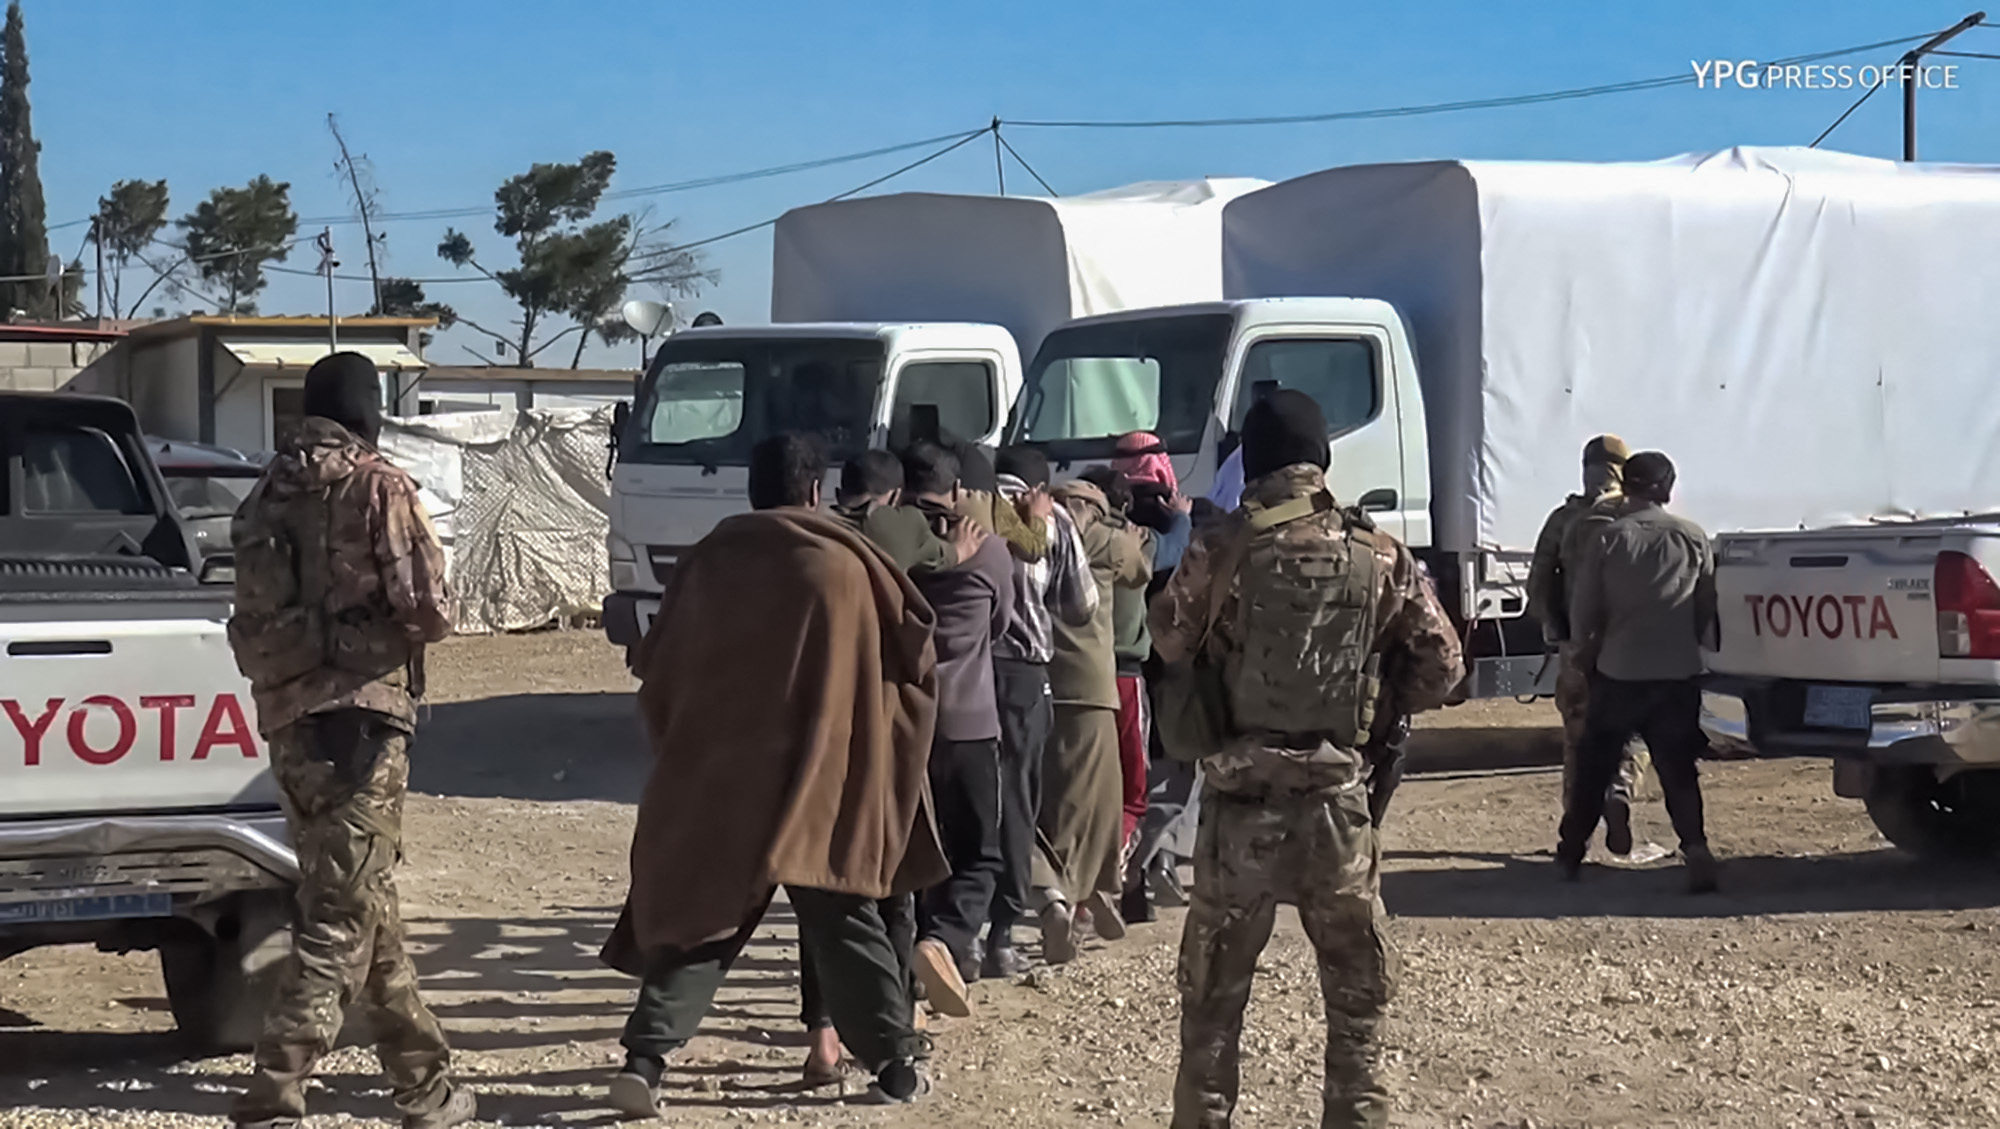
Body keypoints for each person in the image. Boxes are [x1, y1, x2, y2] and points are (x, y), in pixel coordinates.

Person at [599, 432, 944, 1116]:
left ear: (752, 489)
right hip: (820, 775)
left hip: (723, 775)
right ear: (815, 490)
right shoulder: (848, 566)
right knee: (844, 916)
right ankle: (896, 1067)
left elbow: (660, 666)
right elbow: (909, 661)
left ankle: (646, 1059)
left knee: (704, 919)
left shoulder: (707, 562)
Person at [1151, 389, 1464, 1129]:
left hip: (1239, 808)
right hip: (1336, 805)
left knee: (1212, 1006)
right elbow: (1444, 667)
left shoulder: (1219, 548)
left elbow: (1167, 637)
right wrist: (1377, 699)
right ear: (1320, 456)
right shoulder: (1379, 552)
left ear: (1253, 460)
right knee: (1356, 1006)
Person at [225, 352, 475, 1129]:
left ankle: (424, 1084)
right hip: (361, 723)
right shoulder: (379, 485)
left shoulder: (265, 493)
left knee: (364, 902)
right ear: (368, 410)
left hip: (289, 723)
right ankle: (276, 1085)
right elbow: (430, 607)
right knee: (342, 915)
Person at [1559, 450, 1721, 893]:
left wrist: (1584, 654)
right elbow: (1706, 605)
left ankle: (1571, 853)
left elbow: (1584, 610)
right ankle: (1696, 848)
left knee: (1594, 768)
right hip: (1678, 673)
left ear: (1626, 485)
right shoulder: (1693, 536)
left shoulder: (1608, 538)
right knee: (1678, 770)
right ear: (1667, 487)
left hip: (1618, 671)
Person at [896, 440, 1015, 1016]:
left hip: (905, 721)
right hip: (970, 721)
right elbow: (1001, 623)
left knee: (915, 849)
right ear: (959, 490)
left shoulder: (889, 549)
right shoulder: (989, 552)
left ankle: (915, 962)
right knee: (979, 852)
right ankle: (944, 940)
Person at [985, 446, 1097, 978]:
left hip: (962, 672)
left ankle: (952, 934)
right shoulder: (1053, 521)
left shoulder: (971, 508)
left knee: (960, 799)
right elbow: (1081, 606)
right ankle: (1002, 936)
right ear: (1041, 486)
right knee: (1018, 800)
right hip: (1024, 677)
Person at [1035, 475, 1151, 961]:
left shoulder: (1036, 531)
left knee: (1051, 799)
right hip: (1093, 688)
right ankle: (1063, 898)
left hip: (1040, 683)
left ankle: (1084, 894)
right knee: (1101, 803)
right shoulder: (1107, 539)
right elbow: (1141, 571)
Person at [1527, 434, 1651, 855]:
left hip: (1578, 646)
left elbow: (1539, 581)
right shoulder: (1638, 513)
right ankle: (1620, 791)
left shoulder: (1565, 519)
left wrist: (1554, 629)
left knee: (1578, 737)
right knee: (1632, 726)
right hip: (1630, 646)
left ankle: (1574, 836)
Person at [1078, 466, 1158, 913]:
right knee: (1134, 791)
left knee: (1086, 791)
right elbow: (1172, 547)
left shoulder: (1069, 539)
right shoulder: (1131, 543)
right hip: (1125, 675)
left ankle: (1076, 891)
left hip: (1078, 680)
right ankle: (1114, 874)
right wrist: (1178, 515)